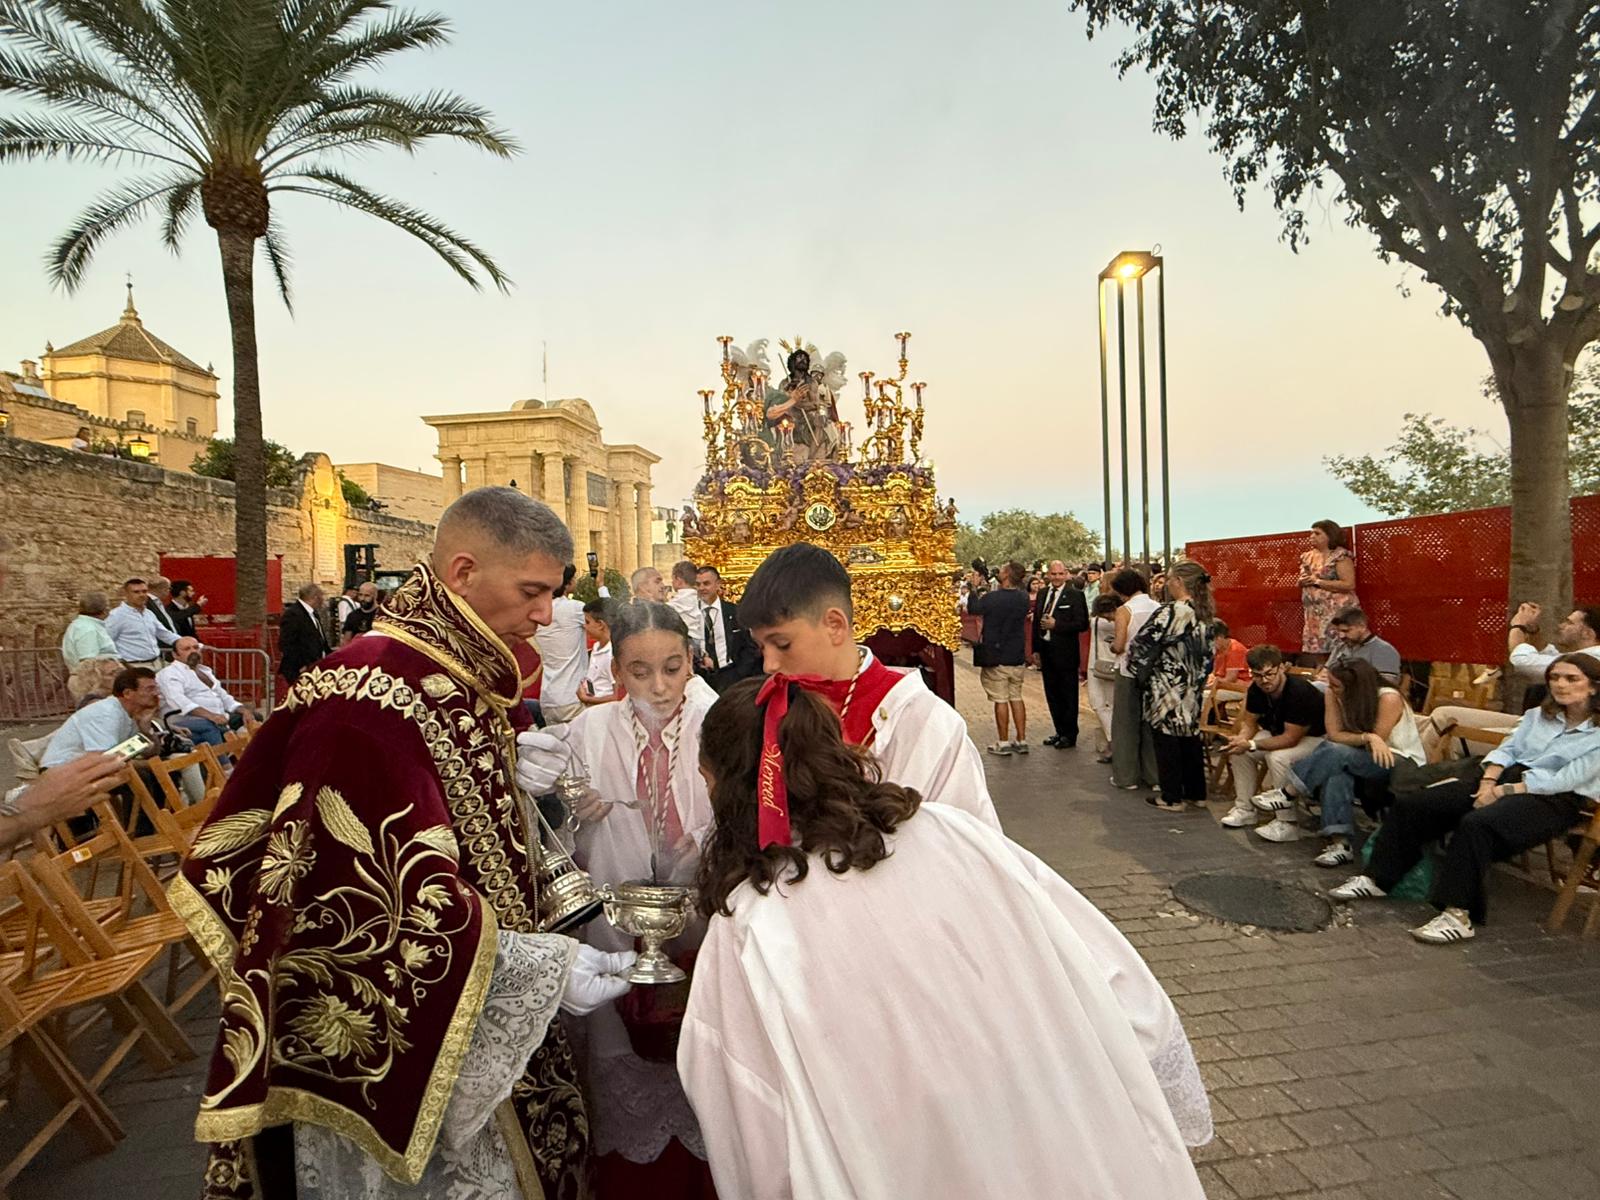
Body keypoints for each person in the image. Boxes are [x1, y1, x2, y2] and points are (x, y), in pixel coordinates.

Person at [172, 487, 635, 1199]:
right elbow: (359, 901)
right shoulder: (368, 700)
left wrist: (515, 779)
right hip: (403, 1024)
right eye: (533, 592)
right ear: (462, 571)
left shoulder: (446, 673)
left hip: (469, 1016)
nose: (546, 615)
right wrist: (538, 972)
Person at [678, 676, 1213, 1200]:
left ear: (732, 786)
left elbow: (747, 1111)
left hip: (895, 1161)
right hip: (1042, 1122)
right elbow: (1106, 969)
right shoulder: (954, 833)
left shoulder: (754, 921)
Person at [518, 602, 719, 1196]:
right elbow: (559, 825)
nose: (658, 687)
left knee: (702, 1053)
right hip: (615, 913)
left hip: (704, 913)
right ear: (616, 673)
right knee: (620, 1047)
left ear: (692, 661)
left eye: (672, 668)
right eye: (639, 672)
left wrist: (706, 837)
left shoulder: (719, 719)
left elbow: (751, 810)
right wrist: (576, 811)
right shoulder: (592, 728)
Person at [1331, 654, 1600, 945]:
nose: (1560, 684)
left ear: (1594, 687)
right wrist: (1488, 782)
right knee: (1417, 804)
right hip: (1502, 777)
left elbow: (1564, 779)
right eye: (1555, 677)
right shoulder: (1539, 716)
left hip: (1557, 798)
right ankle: (1378, 879)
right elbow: (1507, 750)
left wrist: (1500, 792)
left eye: (1571, 678)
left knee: (1477, 824)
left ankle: (1459, 914)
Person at [735, 543, 1000, 829]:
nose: (769, 665)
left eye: (782, 643)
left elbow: (968, 841)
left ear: (835, 625)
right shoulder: (769, 708)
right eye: (761, 647)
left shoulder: (924, 722)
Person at [1258, 660, 1425, 867]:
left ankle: (1289, 792)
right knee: (1336, 770)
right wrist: (1366, 737)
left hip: (1398, 760)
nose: (1331, 689)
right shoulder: (1333, 694)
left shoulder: (1388, 698)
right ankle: (1340, 844)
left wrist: (1369, 738)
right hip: (1357, 754)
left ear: (1356, 687)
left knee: (1335, 753)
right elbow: (1336, 735)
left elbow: (1378, 739)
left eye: (1337, 686)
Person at [1130, 563, 1216, 812]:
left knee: (1166, 739)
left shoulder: (1171, 612)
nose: (1166, 583)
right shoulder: (1206, 614)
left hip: (1167, 686)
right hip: (1193, 685)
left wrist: (1140, 669)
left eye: (1169, 579)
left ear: (1178, 581)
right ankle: (1196, 793)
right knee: (1190, 737)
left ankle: (1171, 797)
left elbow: (1142, 643)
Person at [1218, 645, 1327, 831]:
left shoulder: (1299, 691)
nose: (1264, 680)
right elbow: (1250, 723)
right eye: (1258, 675)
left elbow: (1291, 738)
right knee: (1239, 753)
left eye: (1270, 674)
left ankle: (1286, 822)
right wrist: (1241, 740)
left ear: (1282, 668)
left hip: (1315, 738)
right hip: (1279, 732)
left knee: (1278, 758)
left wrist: (1251, 743)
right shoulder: (1256, 689)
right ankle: (1245, 809)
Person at [40, 667, 162, 770]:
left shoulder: (132, 714)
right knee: (146, 775)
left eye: (156, 688)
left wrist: (146, 730)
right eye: (150, 689)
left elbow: (148, 753)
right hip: (61, 771)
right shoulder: (106, 714)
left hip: (87, 769)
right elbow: (106, 761)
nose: (156, 693)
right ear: (128, 693)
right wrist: (152, 766)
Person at [967, 560, 1032, 755]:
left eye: (1003, 570)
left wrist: (974, 588)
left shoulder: (993, 598)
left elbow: (974, 608)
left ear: (1007, 575)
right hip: (1017, 654)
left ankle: (1003, 741)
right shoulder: (1023, 597)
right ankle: (1022, 739)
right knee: (1016, 696)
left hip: (996, 654)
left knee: (1001, 699)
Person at [1108, 568, 1160, 791]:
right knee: (1150, 723)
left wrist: (1111, 645)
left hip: (1128, 671)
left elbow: (1119, 645)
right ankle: (1155, 775)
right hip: (1154, 672)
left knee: (1125, 724)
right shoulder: (1158, 608)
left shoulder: (1124, 610)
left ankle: (1126, 776)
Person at [156, 637, 257, 749]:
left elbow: (224, 697)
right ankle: (225, 765)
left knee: (254, 717)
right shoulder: (169, 674)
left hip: (219, 715)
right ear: (175, 655)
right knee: (210, 725)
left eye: (196, 648)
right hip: (184, 719)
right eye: (187, 649)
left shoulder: (205, 671)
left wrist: (244, 711)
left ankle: (251, 758)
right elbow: (180, 702)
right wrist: (211, 716)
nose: (193, 651)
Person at [1034, 560, 1090, 749]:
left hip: (1066, 653)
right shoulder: (1043, 594)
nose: (1057, 578)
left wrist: (1057, 625)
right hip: (1047, 650)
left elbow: (1082, 624)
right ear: (1048, 575)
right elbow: (1036, 623)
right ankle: (1059, 731)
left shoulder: (1075, 595)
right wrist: (1036, 649)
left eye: (1060, 574)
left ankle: (1070, 734)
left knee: (1068, 694)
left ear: (1066, 574)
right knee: (1052, 693)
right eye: (1053, 574)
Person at [534, 564, 589, 724]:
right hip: (574, 696)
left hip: (548, 696)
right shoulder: (574, 609)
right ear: (568, 582)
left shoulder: (537, 610)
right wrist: (601, 587)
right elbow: (608, 617)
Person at [1298, 519, 1359, 659]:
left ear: (1330, 535)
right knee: (1319, 654)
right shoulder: (1307, 557)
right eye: (1311, 533)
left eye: (1317, 533)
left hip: (1337, 612)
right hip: (1314, 613)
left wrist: (1318, 582)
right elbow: (1303, 577)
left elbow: (1349, 584)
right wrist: (1302, 581)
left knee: (1341, 652)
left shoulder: (1340, 556)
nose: (1312, 537)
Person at [694, 564, 760, 692]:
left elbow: (749, 645)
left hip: (731, 676)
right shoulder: (691, 613)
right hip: (701, 679)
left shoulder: (734, 611)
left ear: (718, 584)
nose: (701, 588)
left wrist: (740, 673)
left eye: (706, 583)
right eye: (698, 584)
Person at [105, 577, 180, 668]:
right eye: (136, 592)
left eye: (144, 591)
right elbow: (107, 641)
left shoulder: (149, 613)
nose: (141, 595)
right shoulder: (116, 616)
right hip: (134, 666)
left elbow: (164, 633)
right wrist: (121, 662)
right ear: (126, 594)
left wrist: (186, 642)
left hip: (156, 663)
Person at [61, 589, 122, 700]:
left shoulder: (86, 626)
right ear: (105, 610)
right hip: (94, 683)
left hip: (100, 681)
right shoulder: (87, 629)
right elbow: (88, 663)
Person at [1324, 606, 1402, 684]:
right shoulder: (1341, 647)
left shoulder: (1384, 650)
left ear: (1362, 627)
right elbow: (1324, 673)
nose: (1341, 636)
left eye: (1346, 631)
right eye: (1338, 631)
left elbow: (1387, 685)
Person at [1086, 593, 1122, 760]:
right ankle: (1113, 740)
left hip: (1105, 663)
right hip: (1103, 662)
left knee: (1106, 704)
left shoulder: (1113, 617)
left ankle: (1114, 742)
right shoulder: (1117, 616)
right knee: (1102, 703)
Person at [277, 581, 330, 684]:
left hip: (315, 667)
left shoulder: (313, 614)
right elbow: (287, 643)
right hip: (300, 669)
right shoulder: (293, 614)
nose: (323, 600)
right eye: (321, 597)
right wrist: (301, 665)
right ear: (315, 597)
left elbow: (319, 639)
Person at [578, 598, 618, 705]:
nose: (584, 626)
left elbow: (617, 697)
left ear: (600, 624)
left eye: (587, 622)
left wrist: (588, 699)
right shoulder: (597, 647)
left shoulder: (612, 655)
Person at [1208, 619, 1251, 705]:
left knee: (1206, 697)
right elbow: (1214, 672)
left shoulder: (1235, 649)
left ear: (1219, 637)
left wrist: (1209, 685)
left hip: (1237, 687)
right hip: (1221, 684)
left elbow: (1230, 679)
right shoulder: (1218, 650)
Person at [668, 560, 705, 656]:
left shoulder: (673, 605)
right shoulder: (703, 600)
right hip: (701, 644)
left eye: (673, 579)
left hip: (683, 643)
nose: (672, 582)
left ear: (679, 580)